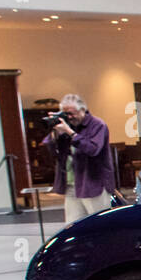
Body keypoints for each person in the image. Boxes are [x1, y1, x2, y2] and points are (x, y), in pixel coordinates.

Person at [47, 93, 114, 223]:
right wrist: (54, 133)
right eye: (66, 114)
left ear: (83, 110)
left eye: (72, 113)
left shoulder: (98, 125)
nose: (70, 117)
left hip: (94, 185)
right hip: (72, 184)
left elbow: (93, 149)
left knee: (100, 225)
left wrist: (71, 133)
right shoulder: (67, 126)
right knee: (73, 226)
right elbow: (53, 152)